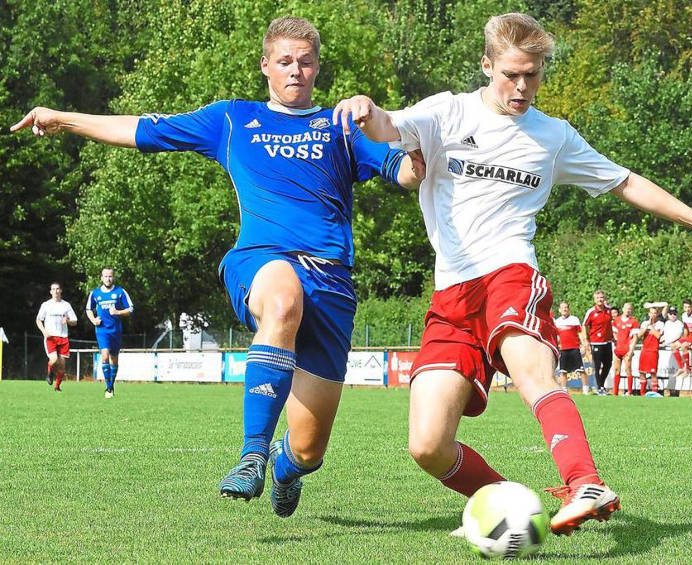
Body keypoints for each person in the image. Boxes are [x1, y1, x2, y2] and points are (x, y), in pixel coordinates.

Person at [333, 12, 692, 535]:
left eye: (532, 74)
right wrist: (366, 108)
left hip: (510, 271)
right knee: (427, 445)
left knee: (533, 374)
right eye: (511, 73)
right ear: (486, 65)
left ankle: (586, 483)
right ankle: (509, 506)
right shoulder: (447, 112)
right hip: (451, 296)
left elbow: (624, 182)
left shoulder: (552, 136)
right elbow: (388, 126)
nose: (522, 85)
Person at [11, 17, 422, 515]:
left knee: (309, 450)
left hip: (332, 283)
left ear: (318, 67)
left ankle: (283, 466)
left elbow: (407, 173)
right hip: (262, 261)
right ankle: (251, 457)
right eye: (286, 61)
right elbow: (143, 128)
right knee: (283, 294)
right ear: (266, 65)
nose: (296, 70)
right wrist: (63, 118)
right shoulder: (232, 120)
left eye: (306, 61)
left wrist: (406, 130)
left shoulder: (342, 126)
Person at [86, 268, 133, 398]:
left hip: (116, 330)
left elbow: (131, 308)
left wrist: (118, 312)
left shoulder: (120, 292)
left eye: (110, 276)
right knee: (105, 356)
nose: (108, 278)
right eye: (106, 276)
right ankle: (108, 387)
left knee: (114, 359)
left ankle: (111, 385)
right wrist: (93, 320)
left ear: (113, 277)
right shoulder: (95, 293)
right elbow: (88, 309)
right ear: (101, 278)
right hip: (102, 330)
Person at [35, 282, 78, 392]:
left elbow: (75, 321)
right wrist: (44, 332)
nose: (55, 291)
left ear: (61, 290)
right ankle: (49, 373)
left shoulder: (66, 305)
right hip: (50, 337)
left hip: (63, 337)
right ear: (50, 292)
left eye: (57, 289)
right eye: (53, 289)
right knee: (53, 360)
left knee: (62, 366)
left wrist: (67, 321)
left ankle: (57, 386)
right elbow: (39, 320)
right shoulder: (46, 305)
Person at [583, 290, 615, 396]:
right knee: (596, 365)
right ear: (594, 299)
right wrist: (586, 339)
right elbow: (585, 325)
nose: (600, 299)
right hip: (596, 342)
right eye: (598, 298)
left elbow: (610, 324)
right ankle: (598, 387)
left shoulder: (609, 310)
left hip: (607, 342)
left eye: (601, 297)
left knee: (608, 364)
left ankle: (601, 385)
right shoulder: (591, 311)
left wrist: (613, 338)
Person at [554, 302, 590, 394]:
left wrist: (583, 344)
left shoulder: (574, 319)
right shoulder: (557, 322)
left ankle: (586, 390)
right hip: (563, 349)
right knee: (563, 371)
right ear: (559, 310)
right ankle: (564, 390)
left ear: (568, 309)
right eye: (562, 308)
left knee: (581, 370)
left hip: (574, 348)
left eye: (566, 308)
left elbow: (580, 333)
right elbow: (556, 336)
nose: (564, 309)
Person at [634, 306, 664, 395]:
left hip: (653, 351)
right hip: (644, 350)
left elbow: (658, 336)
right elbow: (639, 335)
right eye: (651, 313)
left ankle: (655, 393)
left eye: (655, 313)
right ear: (649, 314)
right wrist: (647, 326)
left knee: (653, 373)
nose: (653, 315)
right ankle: (642, 393)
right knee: (642, 372)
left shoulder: (660, 324)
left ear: (657, 314)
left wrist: (651, 326)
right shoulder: (644, 323)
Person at [611, 302, 638, 396]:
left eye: (630, 309)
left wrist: (631, 350)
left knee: (628, 370)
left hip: (627, 349)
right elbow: (614, 333)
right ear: (623, 309)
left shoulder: (633, 321)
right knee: (616, 370)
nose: (628, 310)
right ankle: (615, 393)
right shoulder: (617, 320)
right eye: (626, 308)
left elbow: (635, 337)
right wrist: (616, 341)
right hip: (618, 349)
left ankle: (629, 392)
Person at [675, 299, 692, 379]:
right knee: (673, 346)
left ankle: (687, 369)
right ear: (683, 308)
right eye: (685, 307)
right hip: (689, 337)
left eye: (689, 307)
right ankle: (681, 367)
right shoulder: (684, 315)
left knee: (684, 346)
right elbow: (686, 329)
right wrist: (683, 338)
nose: (687, 309)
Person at [661, 306, 684, 394]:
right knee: (668, 371)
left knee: (675, 371)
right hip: (667, 350)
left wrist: (668, 343)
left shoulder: (679, 323)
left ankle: (675, 391)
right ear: (668, 315)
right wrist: (660, 341)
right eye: (671, 314)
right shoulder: (666, 323)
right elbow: (665, 335)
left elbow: (678, 335)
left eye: (674, 313)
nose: (673, 315)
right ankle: (670, 390)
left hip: (675, 350)